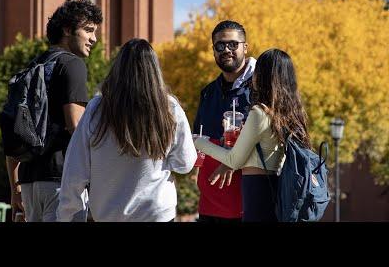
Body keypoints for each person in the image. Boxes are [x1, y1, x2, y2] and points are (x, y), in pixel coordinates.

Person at [56, 38, 197, 222]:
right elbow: (185, 163)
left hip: (109, 214)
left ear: (117, 69)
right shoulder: (169, 108)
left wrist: (66, 214)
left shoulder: (97, 109)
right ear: (154, 71)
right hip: (156, 212)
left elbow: (75, 170)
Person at [5, 0, 102, 222]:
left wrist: (14, 188)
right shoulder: (72, 64)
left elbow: (13, 132)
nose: (93, 38)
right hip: (61, 181)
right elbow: (76, 127)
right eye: (88, 30)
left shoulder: (32, 66)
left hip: (28, 183)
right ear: (68, 29)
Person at [195, 48, 310, 222]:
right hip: (275, 187)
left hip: (256, 189)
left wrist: (199, 142)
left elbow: (234, 160)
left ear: (262, 76)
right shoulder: (290, 112)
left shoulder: (259, 112)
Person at [193, 20, 256, 223]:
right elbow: (198, 139)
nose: (226, 50)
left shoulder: (263, 87)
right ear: (213, 50)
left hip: (250, 202)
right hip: (211, 203)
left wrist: (233, 160)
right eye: (220, 45)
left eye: (233, 44)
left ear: (245, 47)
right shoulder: (208, 92)